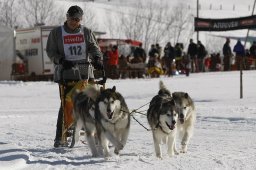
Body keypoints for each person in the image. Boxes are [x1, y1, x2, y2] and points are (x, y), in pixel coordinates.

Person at [46, 5, 103, 147]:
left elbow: (94, 48)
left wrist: (97, 58)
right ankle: (61, 135)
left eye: (77, 19)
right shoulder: (57, 33)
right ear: (67, 17)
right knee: (67, 103)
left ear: (81, 19)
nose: (74, 22)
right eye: (72, 19)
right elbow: (51, 51)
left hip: (85, 74)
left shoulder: (87, 32)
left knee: (91, 102)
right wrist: (60, 60)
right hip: (66, 74)